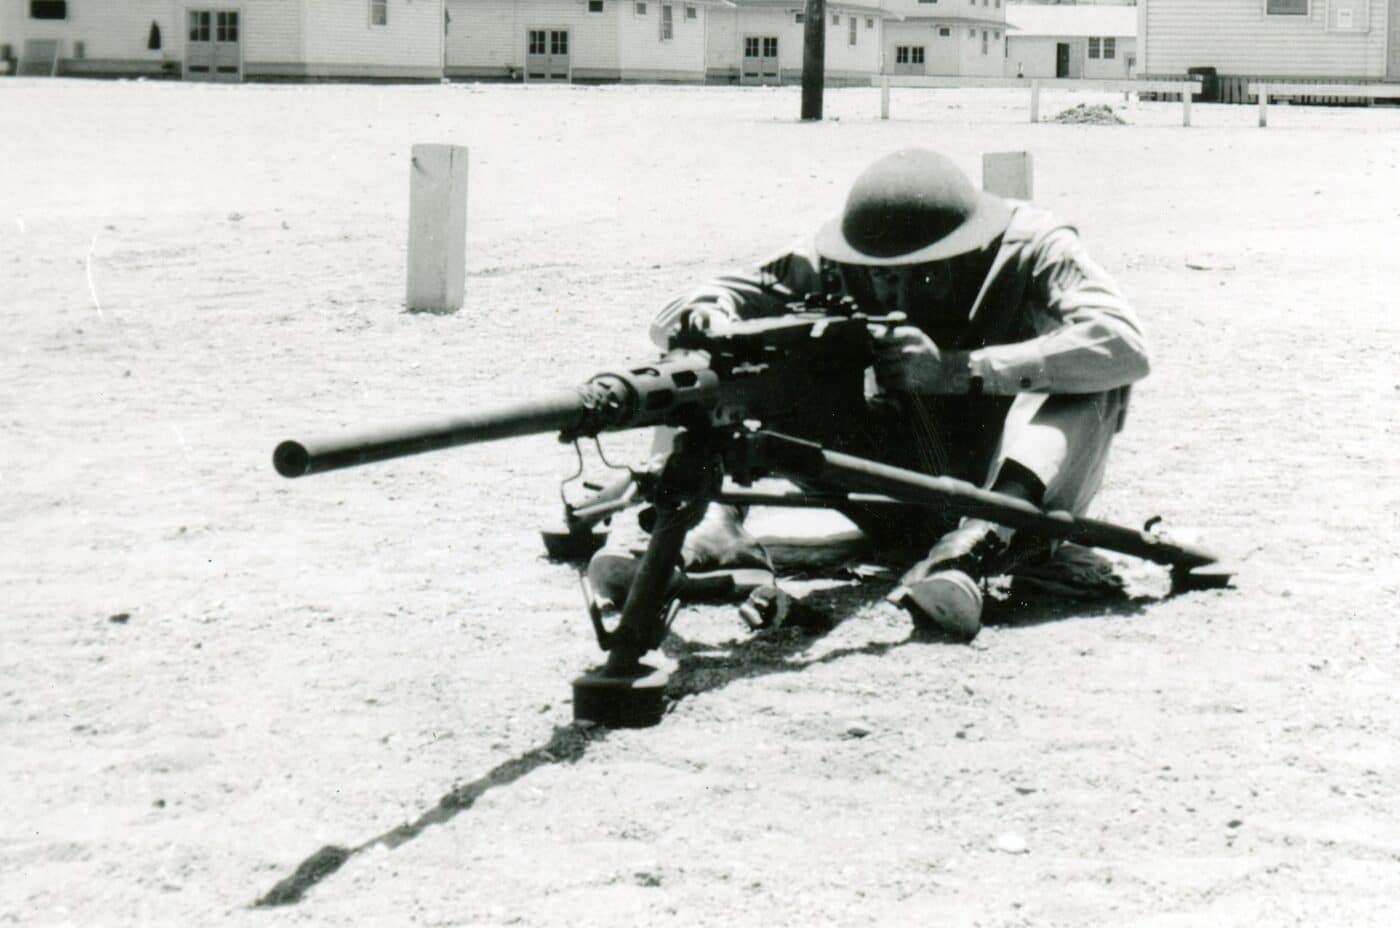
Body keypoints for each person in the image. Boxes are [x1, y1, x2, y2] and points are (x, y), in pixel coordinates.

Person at [588, 148, 1149, 640]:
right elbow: (700, 305)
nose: (894, 288)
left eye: (919, 273)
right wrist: (706, 317)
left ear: (968, 250)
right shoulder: (834, 254)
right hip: (875, 479)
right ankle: (697, 529)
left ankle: (973, 552)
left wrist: (962, 370)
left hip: (1002, 492)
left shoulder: (1032, 246)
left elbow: (1124, 343)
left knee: (1099, 381)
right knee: (708, 366)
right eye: (879, 275)